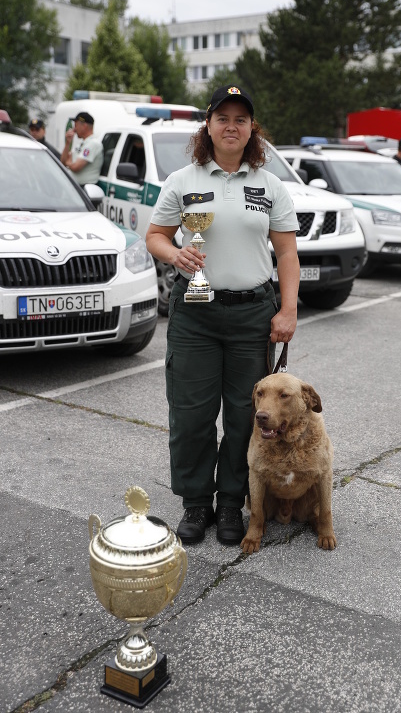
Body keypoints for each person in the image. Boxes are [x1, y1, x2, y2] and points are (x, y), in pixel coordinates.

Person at [146, 85, 300, 546]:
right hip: (195, 315)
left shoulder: (269, 185)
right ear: (208, 126)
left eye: (241, 119)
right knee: (191, 414)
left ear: (252, 129)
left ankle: (232, 503)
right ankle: (197, 502)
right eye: (222, 118)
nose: (231, 126)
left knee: (244, 416)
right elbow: (155, 235)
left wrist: (288, 309)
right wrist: (175, 255)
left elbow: (288, 254)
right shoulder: (183, 180)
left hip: (253, 315)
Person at [60, 112, 103, 185]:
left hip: (85, 188)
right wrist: (68, 143)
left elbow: (76, 167)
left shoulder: (93, 144)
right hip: (76, 187)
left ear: (84, 126)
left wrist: (69, 163)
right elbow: (63, 161)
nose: (74, 129)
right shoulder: (82, 144)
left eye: (76, 125)